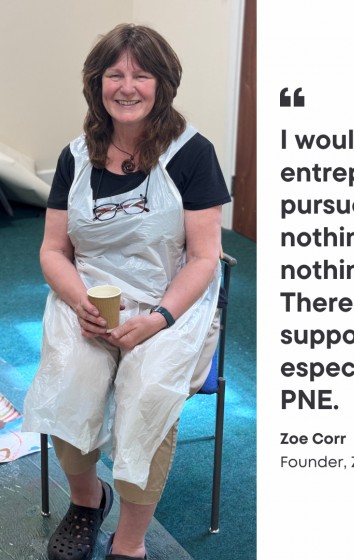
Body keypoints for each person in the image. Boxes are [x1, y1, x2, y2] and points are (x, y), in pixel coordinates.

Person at [22, 23, 231, 560]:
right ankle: (88, 501)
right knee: (70, 382)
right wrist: (79, 302)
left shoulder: (192, 153)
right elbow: (53, 250)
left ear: (163, 83)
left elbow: (204, 257)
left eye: (142, 75)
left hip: (171, 302)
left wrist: (159, 317)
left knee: (148, 396)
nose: (127, 87)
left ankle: (131, 543)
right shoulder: (75, 157)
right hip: (89, 299)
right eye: (115, 74)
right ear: (97, 83)